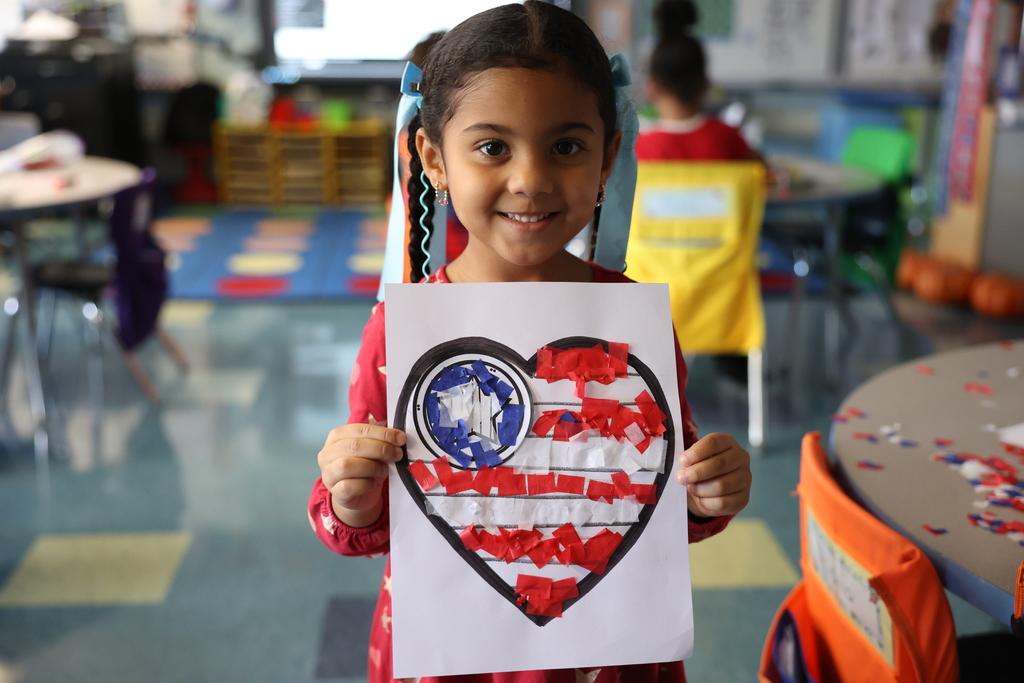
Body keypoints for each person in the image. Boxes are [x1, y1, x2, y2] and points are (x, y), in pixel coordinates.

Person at [308, 3, 753, 681]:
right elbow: (355, 523)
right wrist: (350, 495)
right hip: (453, 654)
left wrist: (705, 492)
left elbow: (663, 495)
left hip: (611, 652)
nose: (531, 179)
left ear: (607, 156)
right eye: (492, 147)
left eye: (566, 146)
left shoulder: (633, 323)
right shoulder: (398, 333)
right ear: (434, 157)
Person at [635, 0, 763, 164]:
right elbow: (767, 175)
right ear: (705, 83)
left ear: (652, 87)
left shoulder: (639, 150)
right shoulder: (728, 139)